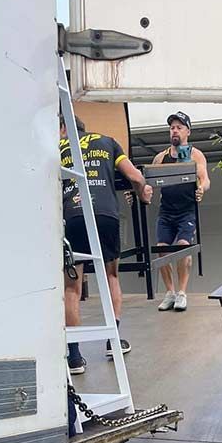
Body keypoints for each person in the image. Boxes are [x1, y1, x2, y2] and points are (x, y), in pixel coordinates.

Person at [60, 117, 152, 374]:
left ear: (64, 128)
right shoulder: (108, 142)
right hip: (105, 214)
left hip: (74, 215)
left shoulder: (59, 148)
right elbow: (135, 177)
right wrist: (143, 193)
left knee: (72, 286)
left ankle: (74, 357)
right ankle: (113, 342)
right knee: (111, 275)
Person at [152, 111, 210, 313]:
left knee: (183, 247)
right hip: (166, 211)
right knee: (161, 249)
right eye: (172, 128)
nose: (175, 131)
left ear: (188, 132)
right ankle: (170, 292)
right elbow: (148, 181)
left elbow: (205, 179)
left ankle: (182, 292)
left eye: (179, 127)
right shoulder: (161, 157)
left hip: (186, 211)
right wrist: (138, 191)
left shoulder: (195, 155)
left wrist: (201, 189)